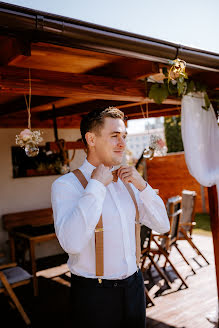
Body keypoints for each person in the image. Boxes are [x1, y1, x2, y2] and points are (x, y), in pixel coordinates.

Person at [51, 107, 170, 328]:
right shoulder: (66, 186)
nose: (122, 143)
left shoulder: (129, 182)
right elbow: (71, 243)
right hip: (94, 296)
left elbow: (163, 225)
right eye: (114, 136)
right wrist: (95, 186)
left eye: (123, 136)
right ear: (91, 139)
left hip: (135, 287)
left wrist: (143, 186)